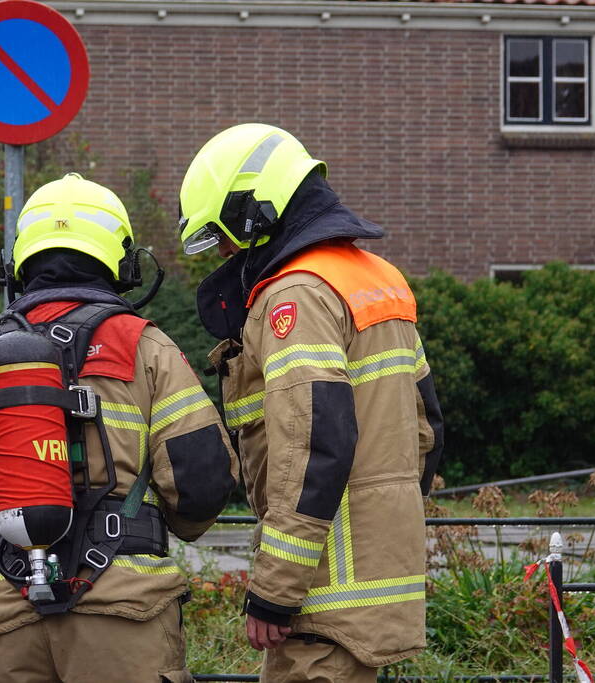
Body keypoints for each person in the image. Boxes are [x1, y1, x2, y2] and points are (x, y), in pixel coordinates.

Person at [0, 173, 239, 682]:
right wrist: (169, 527)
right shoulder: (144, 347)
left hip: (7, 618)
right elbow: (201, 478)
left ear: (18, 265)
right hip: (123, 617)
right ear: (124, 263)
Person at [177, 124, 444, 681]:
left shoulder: (296, 293)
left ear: (255, 211)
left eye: (223, 234)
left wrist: (277, 587)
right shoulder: (377, 278)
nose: (224, 252)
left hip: (324, 592)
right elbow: (427, 431)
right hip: (373, 579)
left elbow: (314, 444)